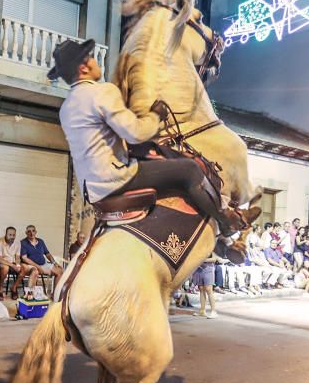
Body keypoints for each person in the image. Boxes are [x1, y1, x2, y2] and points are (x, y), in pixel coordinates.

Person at [51, 39, 245, 262]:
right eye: (91, 58)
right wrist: (156, 115)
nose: (96, 62)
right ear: (83, 67)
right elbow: (135, 132)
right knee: (189, 170)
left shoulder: (67, 107)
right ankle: (224, 223)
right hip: (117, 178)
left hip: (93, 189)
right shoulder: (101, 92)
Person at [20, 225, 63, 294]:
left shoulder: (40, 241)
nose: (31, 233)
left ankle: (55, 294)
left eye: (33, 231)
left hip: (43, 264)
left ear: (36, 232)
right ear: (26, 233)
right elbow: (24, 258)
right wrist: (38, 267)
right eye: (29, 231)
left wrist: (55, 263)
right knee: (35, 272)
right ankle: (30, 295)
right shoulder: (23, 242)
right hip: (30, 266)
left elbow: (47, 254)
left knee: (59, 271)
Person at [0, 226, 29, 300]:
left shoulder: (17, 243)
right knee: (5, 268)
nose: (12, 237)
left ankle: (14, 288)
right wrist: (13, 266)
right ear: (6, 234)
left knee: (24, 268)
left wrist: (17, 264)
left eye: (14, 235)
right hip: (1, 263)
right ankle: (0, 288)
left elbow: (17, 257)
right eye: (10, 235)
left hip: (12, 262)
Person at [191, 254, 218, 318]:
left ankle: (213, 311)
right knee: (201, 289)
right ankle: (202, 311)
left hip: (208, 268)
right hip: (199, 269)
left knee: (209, 289)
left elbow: (214, 259)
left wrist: (202, 260)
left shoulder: (212, 246)